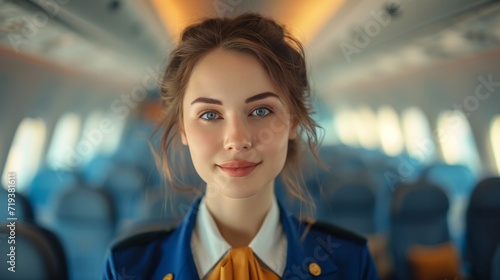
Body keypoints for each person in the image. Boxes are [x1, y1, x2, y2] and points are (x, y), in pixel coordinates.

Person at [101, 13, 379, 280]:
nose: (237, 140)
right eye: (210, 115)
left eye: (260, 111)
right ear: (183, 128)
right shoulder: (127, 267)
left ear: (293, 121)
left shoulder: (350, 263)